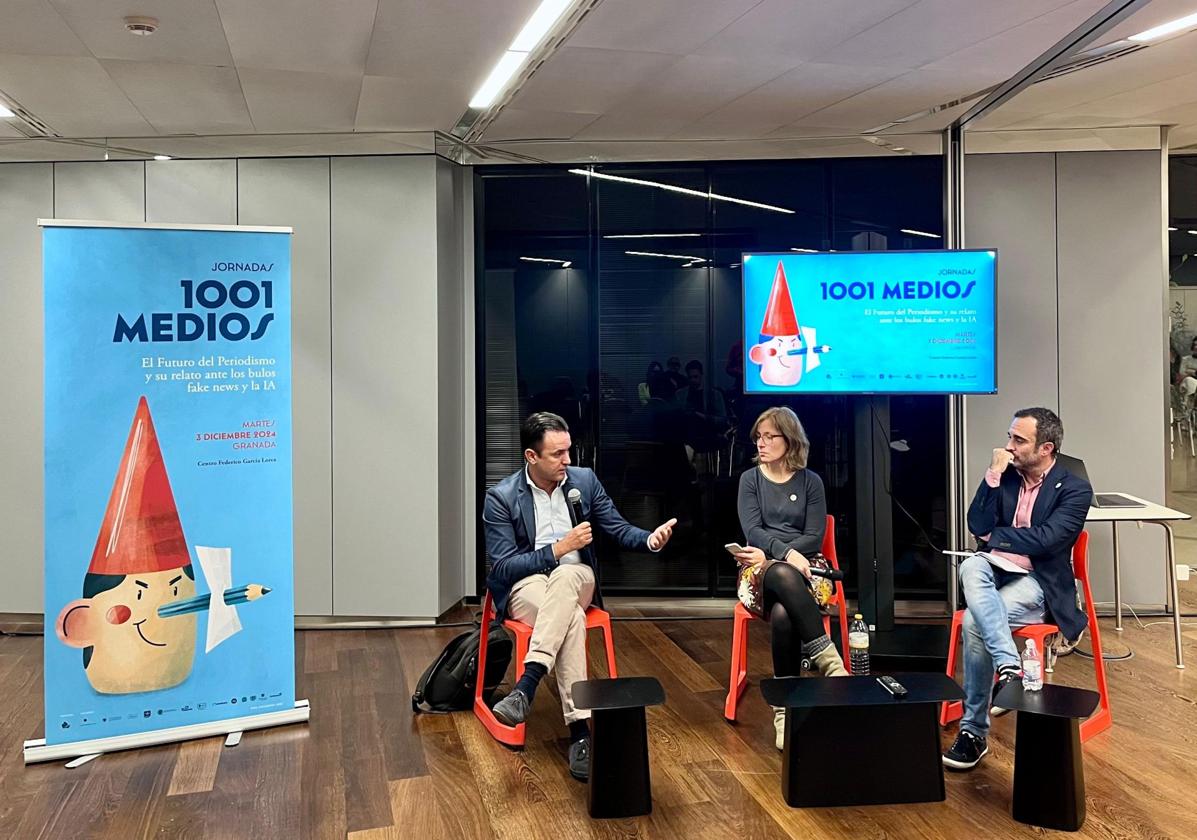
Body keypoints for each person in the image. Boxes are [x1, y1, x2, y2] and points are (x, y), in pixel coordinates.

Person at [484, 412, 676, 781]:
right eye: (557, 454)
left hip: (576, 577)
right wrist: (557, 549)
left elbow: (617, 527)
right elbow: (503, 568)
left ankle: (527, 685)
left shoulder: (583, 481)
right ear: (531, 456)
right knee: (569, 616)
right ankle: (580, 732)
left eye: (568, 451)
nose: (567, 461)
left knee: (569, 576)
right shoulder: (502, 497)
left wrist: (649, 539)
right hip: (529, 584)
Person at [942, 406, 1091, 771]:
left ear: (1046, 449)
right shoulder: (1005, 475)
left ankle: (973, 732)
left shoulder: (1074, 488)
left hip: (1037, 582)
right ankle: (1010, 668)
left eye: (1018, 440)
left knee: (977, 624)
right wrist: (993, 474)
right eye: (1010, 436)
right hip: (993, 572)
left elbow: (1048, 540)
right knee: (972, 563)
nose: (1009, 446)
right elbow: (975, 523)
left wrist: (996, 537)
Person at [733, 406, 848, 751]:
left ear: (790, 439)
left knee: (784, 615)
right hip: (757, 569)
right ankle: (831, 664)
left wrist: (785, 554)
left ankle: (784, 711)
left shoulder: (810, 481)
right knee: (782, 573)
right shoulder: (750, 480)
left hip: (809, 566)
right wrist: (781, 556)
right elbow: (752, 530)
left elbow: (814, 536)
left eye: (770, 436)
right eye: (758, 436)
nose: (761, 443)